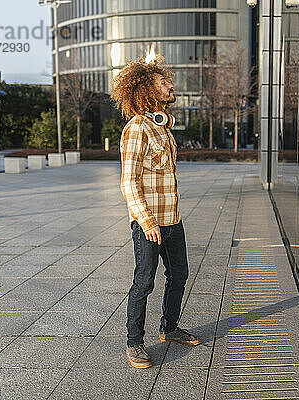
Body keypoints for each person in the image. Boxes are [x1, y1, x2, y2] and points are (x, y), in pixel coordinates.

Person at [111, 56, 200, 369]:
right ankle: (134, 342)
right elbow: (129, 182)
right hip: (149, 224)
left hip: (173, 220)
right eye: (164, 82)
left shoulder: (163, 128)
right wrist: (146, 222)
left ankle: (169, 328)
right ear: (146, 89)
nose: (171, 85)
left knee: (180, 275)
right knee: (144, 282)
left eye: (169, 81)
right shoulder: (137, 129)